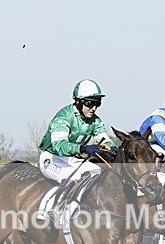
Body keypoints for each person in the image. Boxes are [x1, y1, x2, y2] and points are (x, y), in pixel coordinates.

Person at [37, 79, 117, 225]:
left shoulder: (95, 121)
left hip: (72, 159)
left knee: (97, 172)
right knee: (70, 176)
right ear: (78, 102)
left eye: (97, 103)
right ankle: (52, 212)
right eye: (89, 103)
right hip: (51, 158)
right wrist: (83, 148)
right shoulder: (63, 117)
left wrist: (112, 148)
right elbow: (59, 145)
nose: (93, 108)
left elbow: (104, 139)